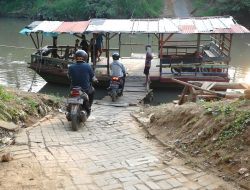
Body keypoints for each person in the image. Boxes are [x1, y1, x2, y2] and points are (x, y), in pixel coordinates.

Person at [68, 50, 98, 116]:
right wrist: (96, 81)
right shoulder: (88, 66)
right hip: (85, 90)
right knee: (92, 90)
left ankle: (69, 107)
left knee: (70, 93)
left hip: (73, 89)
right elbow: (93, 78)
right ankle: (89, 107)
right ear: (85, 57)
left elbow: (69, 77)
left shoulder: (71, 67)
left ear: (75, 57)